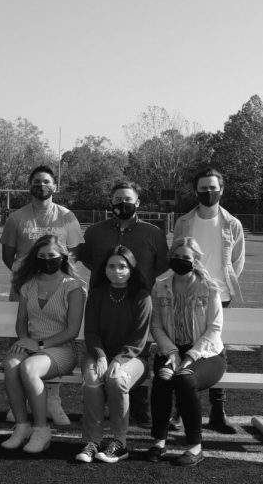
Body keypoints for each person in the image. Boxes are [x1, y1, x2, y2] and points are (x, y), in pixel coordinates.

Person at [78, 181, 170, 428]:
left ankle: (138, 412)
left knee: (137, 353)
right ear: (110, 202)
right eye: (117, 199)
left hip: (138, 303)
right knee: (103, 354)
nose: (122, 204)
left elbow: (161, 265)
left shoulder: (153, 233)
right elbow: (88, 260)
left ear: (138, 202)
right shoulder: (95, 232)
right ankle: (108, 413)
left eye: (127, 199)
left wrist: (139, 283)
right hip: (104, 301)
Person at [0, 165, 84, 425]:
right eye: (36, 181)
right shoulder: (17, 217)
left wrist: (55, 277)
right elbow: (7, 256)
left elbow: (74, 252)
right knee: (25, 338)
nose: (41, 185)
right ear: (29, 185)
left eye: (46, 181)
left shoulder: (67, 216)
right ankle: (23, 401)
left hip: (57, 286)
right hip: (26, 287)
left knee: (53, 338)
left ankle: (52, 401)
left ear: (54, 186)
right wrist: (29, 276)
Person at [172, 167, 244, 434]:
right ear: (196, 190)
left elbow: (237, 260)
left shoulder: (232, 223)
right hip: (187, 292)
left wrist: (218, 287)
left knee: (215, 350)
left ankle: (218, 411)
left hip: (219, 297)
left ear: (221, 189)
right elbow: (177, 255)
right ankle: (180, 412)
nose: (208, 192)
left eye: (213, 187)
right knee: (184, 347)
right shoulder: (183, 222)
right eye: (203, 188)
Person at [0, 235, 85, 454]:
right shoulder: (28, 285)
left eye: (52, 256)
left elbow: (72, 331)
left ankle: (41, 430)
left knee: (29, 368)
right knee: (10, 365)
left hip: (62, 350)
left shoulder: (73, 286)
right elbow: (21, 321)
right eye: (42, 256)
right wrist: (23, 340)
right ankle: (22, 427)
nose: (47, 260)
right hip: (32, 346)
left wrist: (38, 343)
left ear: (63, 257)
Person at [147, 237, 225, 467]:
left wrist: (190, 355)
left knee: (184, 379)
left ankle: (194, 446)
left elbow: (215, 329)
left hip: (206, 354)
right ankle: (159, 441)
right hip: (170, 349)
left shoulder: (209, 288)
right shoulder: (160, 286)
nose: (180, 261)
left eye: (186, 258)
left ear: (196, 261)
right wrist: (172, 353)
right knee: (163, 378)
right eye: (176, 257)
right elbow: (156, 326)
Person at [76, 245, 152, 464]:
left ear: (131, 269)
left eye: (122, 266)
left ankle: (120, 442)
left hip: (134, 358)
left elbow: (138, 339)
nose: (117, 271)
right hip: (98, 354)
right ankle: (92, 441)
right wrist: (100, 356)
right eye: (112, 266)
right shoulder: (98, 293)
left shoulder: (142, 296)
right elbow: (90, 331)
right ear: (104, 268)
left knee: (117, 380)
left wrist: (118, 360)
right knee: (92, 379)